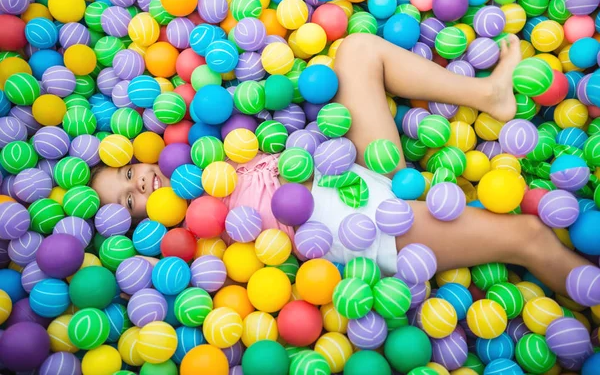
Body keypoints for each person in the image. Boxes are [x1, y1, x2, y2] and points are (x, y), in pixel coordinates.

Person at [90, 33, 591, 296]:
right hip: (370, 228)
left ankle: (490, 94)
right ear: (135, 229)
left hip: (358, 168)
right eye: (128, 200)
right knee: (530, 236)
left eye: (126, 173)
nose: (138, 183)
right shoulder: (188, 244)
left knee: (358, 52)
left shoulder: (200, 162)